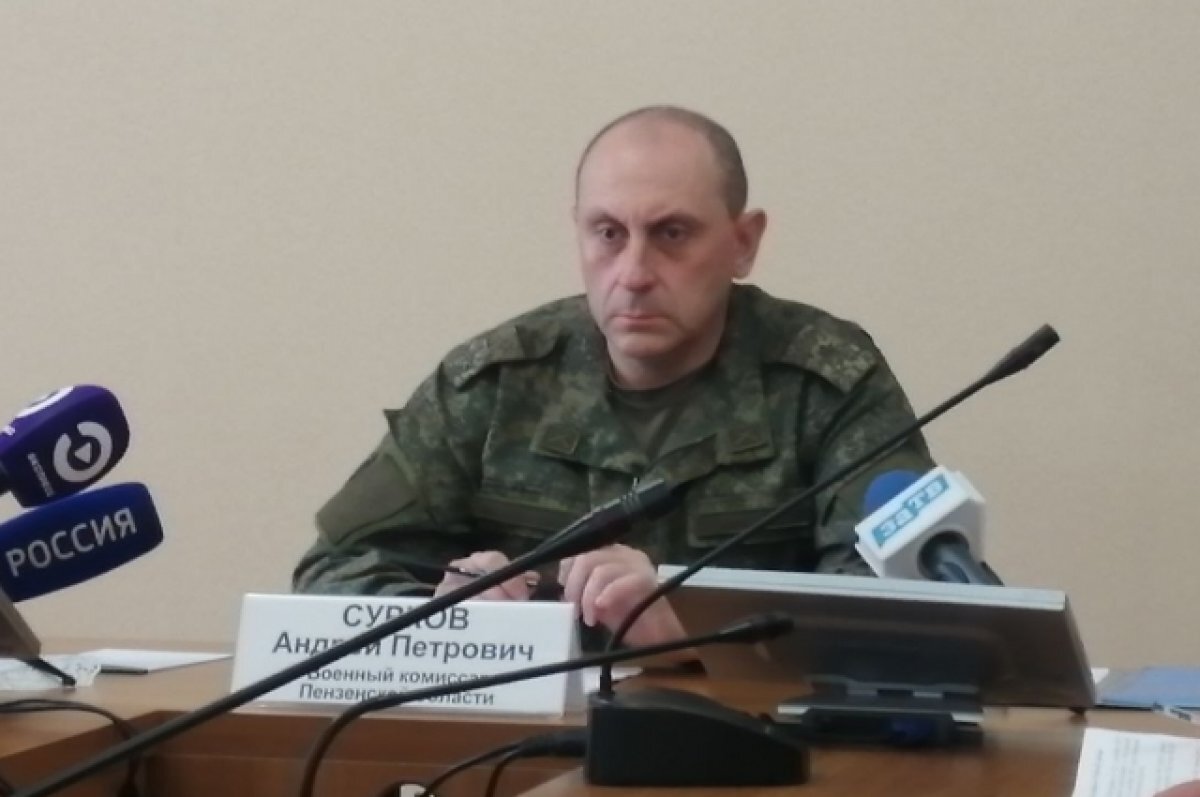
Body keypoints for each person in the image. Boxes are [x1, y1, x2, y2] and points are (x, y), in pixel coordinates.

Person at [292, 105, 936, 651]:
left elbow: (906, 609)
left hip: (750, 735)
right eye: (607, 233)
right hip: (525, 736)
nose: (633, 273)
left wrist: (699, 628)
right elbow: (331, 574)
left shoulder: (826, 383)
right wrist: (447, 615)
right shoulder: (494, 383)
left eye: (672, 233)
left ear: (743, 242)